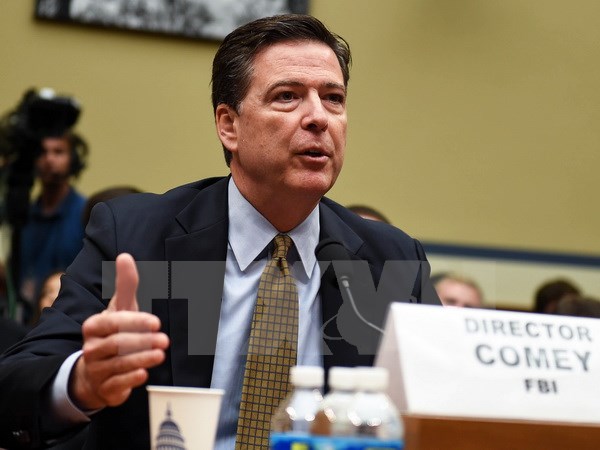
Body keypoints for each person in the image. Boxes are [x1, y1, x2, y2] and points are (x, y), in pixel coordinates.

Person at [0, 14, 440, 450]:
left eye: (333, 98)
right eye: (288, 96)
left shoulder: (389, 264)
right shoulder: (137, 239)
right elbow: (15, 382)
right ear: (229, 125)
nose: (318, 118)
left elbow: (449, 407)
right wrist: (83, 381)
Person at [17, 131, 88, 311]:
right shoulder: (23, 215)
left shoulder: (85, 213)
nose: (49, 159)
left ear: (73, 159)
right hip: (28, 316)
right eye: (42, 152)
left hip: (69, 315)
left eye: (58, 152)